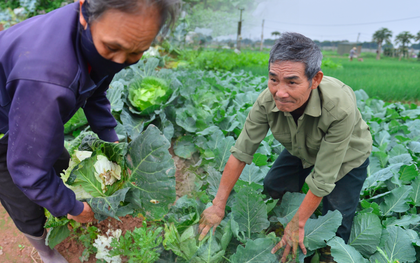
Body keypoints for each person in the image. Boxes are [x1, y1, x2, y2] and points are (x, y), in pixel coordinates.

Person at [0, 0, 178, 262]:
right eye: (112, 48)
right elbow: (26, 169)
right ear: (84, 12)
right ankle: (44, 249)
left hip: (27, 106)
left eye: (136, 53)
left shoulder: (98, 34)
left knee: (58, 166)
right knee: (24, 200)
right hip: (4, 128)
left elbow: (96, 91)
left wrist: (111, 141)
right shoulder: (47, 78)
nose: (120, 61)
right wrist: (72, 207)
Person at [198, 32, 372, 263]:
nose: (280, 92)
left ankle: (326, 251)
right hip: (300, 148)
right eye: (273, 79)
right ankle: (281, 230)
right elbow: (240, 154)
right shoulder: (266, 102)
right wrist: (217, 206)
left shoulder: (339, 105)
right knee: (274, 185)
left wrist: (298, 224)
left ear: (315, 79)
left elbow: (323, 178)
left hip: (347, 156)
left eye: (292, 82)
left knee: (337, 215)